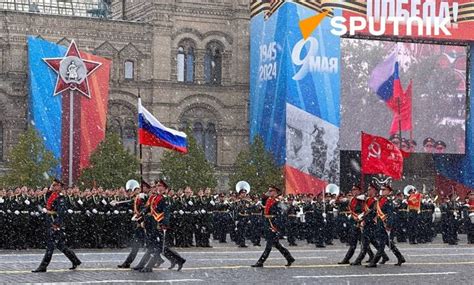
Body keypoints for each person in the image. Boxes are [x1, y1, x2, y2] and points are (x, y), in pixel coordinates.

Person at [32, 179, 82, 273]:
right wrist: (44, 210)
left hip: (54, 223)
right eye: (53, 185)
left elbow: (61, 213)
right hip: (49, 222)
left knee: (50, 246)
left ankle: (43, 266)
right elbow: (47, 199)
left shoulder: (60, 197)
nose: (53, 186)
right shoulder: (52, 195)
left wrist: (56, 224)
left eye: (55, 185)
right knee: (60, 245)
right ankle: (75, 261)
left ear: (60, 187)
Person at [251, 185, 295, 268]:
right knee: (277, 245)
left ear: (275, 192)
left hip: (273, 224)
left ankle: (260, 262)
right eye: (269, 190)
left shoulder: (278, 202)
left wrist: (276, 227)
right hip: (268, 223)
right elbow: (263, 201)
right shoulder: (269, 200)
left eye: (271, 191)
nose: (269, 192)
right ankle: (289, 258)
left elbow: (283, 214)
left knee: (269, 245)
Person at [366, 185, 405, 268]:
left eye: (384, 190)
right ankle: (400, 257)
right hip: (379, 224)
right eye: (382, 189)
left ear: (389, 191)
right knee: (388, 242)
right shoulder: (379, 200)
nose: (382, 191)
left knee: (382, 244)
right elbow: (374, 211)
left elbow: (391, 214)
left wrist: (389, 225)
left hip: (385, 224)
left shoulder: (389, 201)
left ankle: (374, 262)